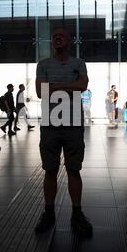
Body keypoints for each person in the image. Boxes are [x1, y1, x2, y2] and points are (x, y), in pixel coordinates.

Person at [35, 28, 92, 236]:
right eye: (54, 36)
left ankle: (77, 214)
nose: (57, 37)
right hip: (50, 123)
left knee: (74, 170)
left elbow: (83, 86)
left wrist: (55, 86)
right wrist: (70, 86)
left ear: (70, 41)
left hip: (73, 123)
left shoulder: (79, 63)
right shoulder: (43, 65)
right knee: (50, 170)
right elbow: (40, 91)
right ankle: (49, 212)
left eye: (62, 35)